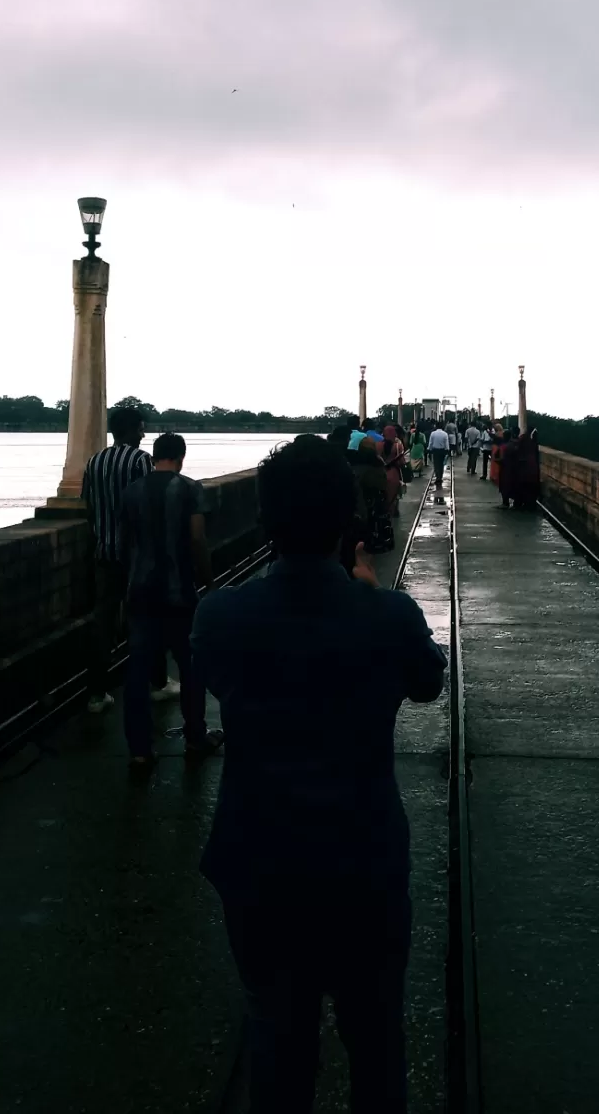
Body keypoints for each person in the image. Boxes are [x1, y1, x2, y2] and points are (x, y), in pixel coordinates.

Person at [191, 437, 447, 1113]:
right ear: (346, 521)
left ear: (265, 520)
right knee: (375, 1038)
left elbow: (215, 677)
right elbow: (427, 685)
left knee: (277, 1036)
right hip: (363, 864)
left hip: (259, 864)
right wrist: (367, 596)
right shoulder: (387, 615)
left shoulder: (220, 617)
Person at [118, 432, 224, 768]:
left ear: (153, 456)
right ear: (180, 456)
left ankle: (139, 750)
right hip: (179, 593)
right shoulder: (189, 489)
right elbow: (197, 538)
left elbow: (126, 545)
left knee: (137, 672)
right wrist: (208, 583)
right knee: (191, 667)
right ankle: (195, 737)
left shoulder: (131, 492)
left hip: (140, 591)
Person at [81, 405, 177, 713]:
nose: (143, 434)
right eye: (140, 428)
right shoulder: (141, 461)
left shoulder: (94, 462)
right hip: (139, 555)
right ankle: (157, 682)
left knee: (103, 621)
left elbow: (89, 506)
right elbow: (153, 504)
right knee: (149, 616)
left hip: (104, 552)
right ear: (132, 430)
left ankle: (97, 694)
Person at [512, 427, 542, 511]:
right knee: (530, 488)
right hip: (532, 471)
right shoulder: (534, 443)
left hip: (523, 469)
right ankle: (529, 504)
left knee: (522, 486)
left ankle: (520, 502)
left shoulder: (523, 439)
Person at [382, 425, 406, 516]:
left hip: (382, 472)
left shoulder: (378, 445)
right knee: (395, 494)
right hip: (394, 472)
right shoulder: (397, 445)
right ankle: (393, 511)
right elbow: (402, 462)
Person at [497, 429, 519, 509]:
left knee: (504, 485)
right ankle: (516, 503)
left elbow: (500, 458)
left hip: (505, 468)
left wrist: (496, 460)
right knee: (514, 485)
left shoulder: (503, 446)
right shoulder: (515, 445)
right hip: (514, 469)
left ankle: (505, 503)